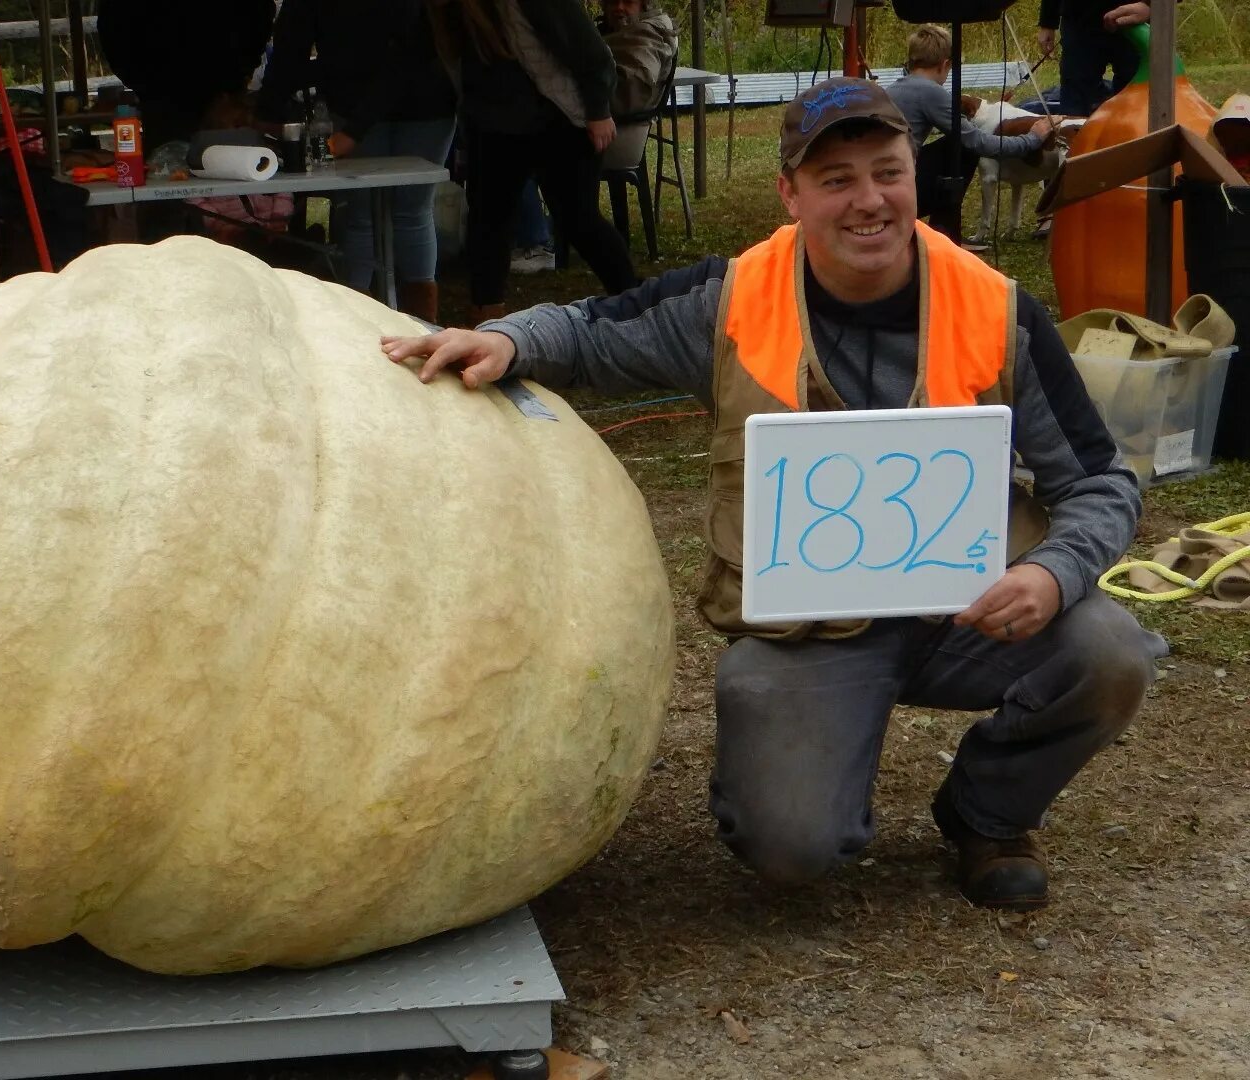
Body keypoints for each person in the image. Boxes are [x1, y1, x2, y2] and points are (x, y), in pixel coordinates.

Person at [380, 78, 1162, 910]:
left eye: (888, 173)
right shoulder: (728, 300)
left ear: (914, 177)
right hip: (804, 634)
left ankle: (988, 813)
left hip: (967, 614)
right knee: (789, 849)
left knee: (1110, 652)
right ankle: (803, 780)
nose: (870, 201)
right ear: (790, 193)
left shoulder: (1000, 310)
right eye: (837, 180)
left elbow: (1101, 482)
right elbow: (589, 330)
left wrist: (1051, 575)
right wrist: (503, 335)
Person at [426, 0, 637, 323]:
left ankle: (637, 303)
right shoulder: (449, 10)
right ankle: (486, 317)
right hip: (494, 124)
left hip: (558, 118)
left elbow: (591, 51)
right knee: (488, 222)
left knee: (579, 221)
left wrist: (598, 110)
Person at [257, 0, 457, 322]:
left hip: (401, 101)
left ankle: (407, 323)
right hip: (394, 100)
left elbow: (416, 43)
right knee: (391, 213)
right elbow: (293, 35)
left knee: (383, 213)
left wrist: (353, 128)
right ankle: (375, 321)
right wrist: (269, 107)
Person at [889, 25, 1053, 239]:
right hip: (903, 192)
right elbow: (979, 143)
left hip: (885, 181)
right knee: (964, 148)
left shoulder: (894, 88)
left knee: (953, 142)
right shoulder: (931, 92)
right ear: (945, 64)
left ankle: (940, 233)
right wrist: (1031, 139)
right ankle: (945, 234)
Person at [98, 0, 276, 149]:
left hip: (212, 90)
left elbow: (113, 24)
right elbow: (114, 22)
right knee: (168, 167)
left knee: (232, 165)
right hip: (168, 91)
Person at [1038, 1, 1141, 117]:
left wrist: (1148, 6)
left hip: (1134, 18)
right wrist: (1047, 22)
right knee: (1075, 108)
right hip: (1080, 21)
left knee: (1134, 106)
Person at [600, 0, 677, 122]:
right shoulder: (615, 30)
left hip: (610, 127)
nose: (619, 7)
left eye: (628, 2)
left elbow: (630, 95)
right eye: (613, 2)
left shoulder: (646, 34)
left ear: (643, 6)